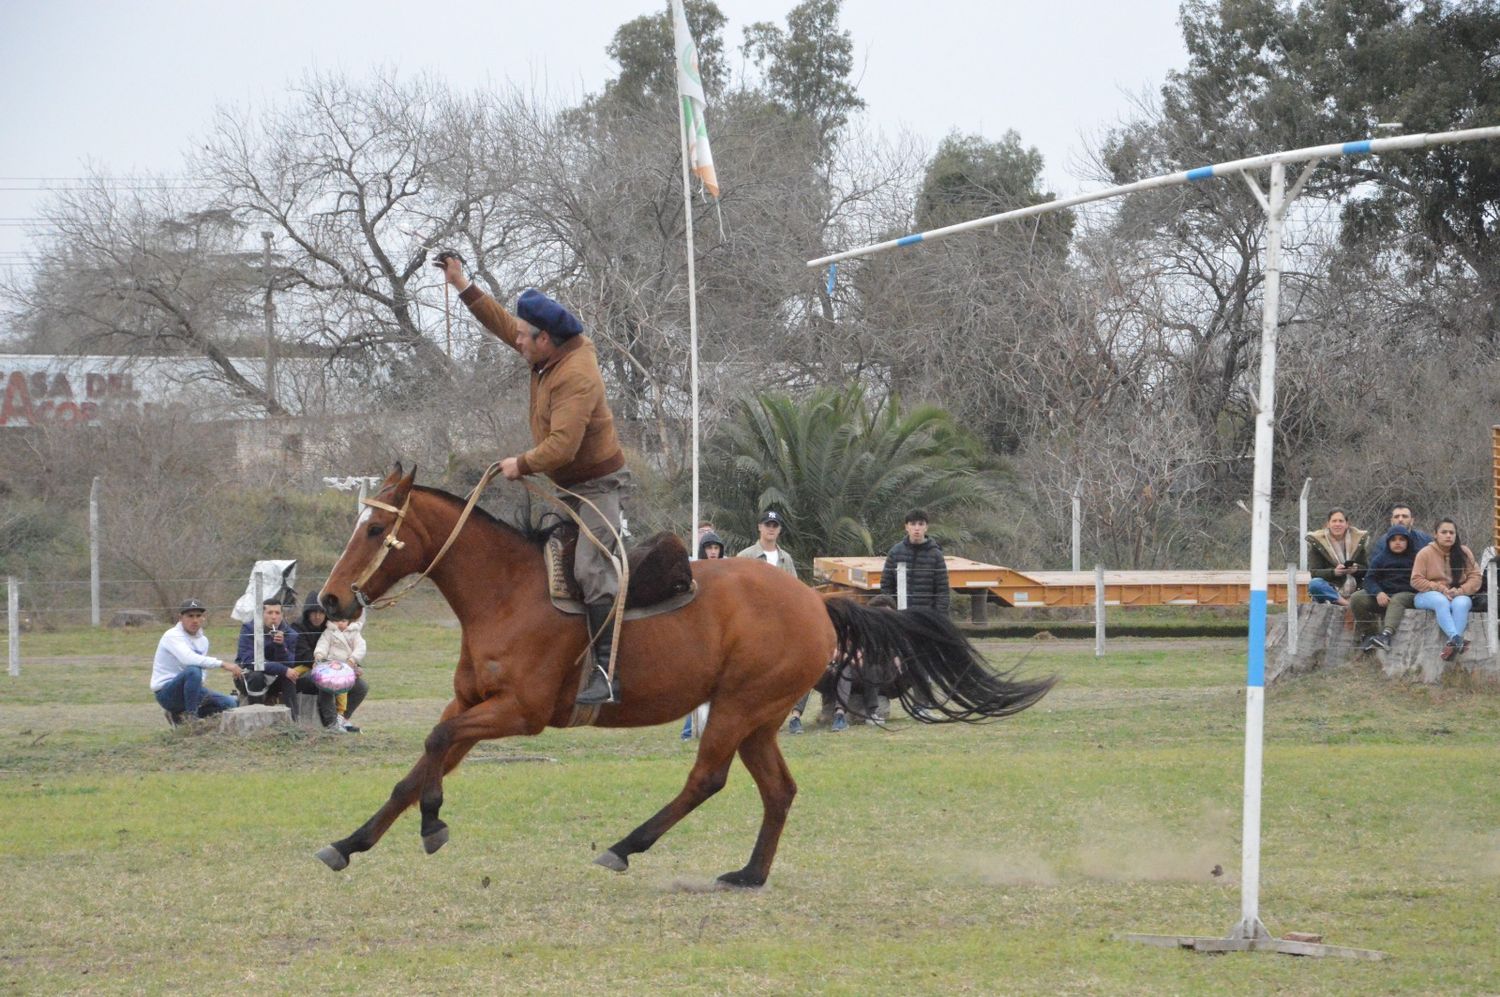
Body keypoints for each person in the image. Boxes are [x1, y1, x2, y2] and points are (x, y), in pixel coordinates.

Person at [438, 254, 630, 706]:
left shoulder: (577, 377)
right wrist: (462, 284)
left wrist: (520, 464)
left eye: (526, 336)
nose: (517, 341)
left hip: (598, 488)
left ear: (546, 338)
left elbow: (562, 447)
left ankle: (607, 672)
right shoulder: (548, 349)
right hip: (566, 488)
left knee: (589, 569)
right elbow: (505, 323)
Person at [151, 599, 243, 725]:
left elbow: (202, 669)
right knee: (193, 670)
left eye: (198, 616)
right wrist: (223, 664)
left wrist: (198, 688)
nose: (195, 620)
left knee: (230, 703)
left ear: (203, 618)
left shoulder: (203, 640)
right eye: (190, 616)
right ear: (180, 618)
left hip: (191, 690)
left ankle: (178, 716)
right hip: (167, 693)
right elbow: (188, 659)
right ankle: (191, 719)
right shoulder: (172, 636)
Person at [1411, 518, 1481, 661]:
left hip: (1457, 593)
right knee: (1441, 601)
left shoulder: (1464, 552)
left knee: (1461, 603)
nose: (1448, 535)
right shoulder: (1425, 553)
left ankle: (1453, 644)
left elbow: (1475, 577)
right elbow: (1416, 580)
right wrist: (1440, 588)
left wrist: (1460, 591)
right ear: (1435, 534)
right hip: (1428, 595)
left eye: (1451, 532)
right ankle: (1456, 638)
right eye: (1444, 532)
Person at [681, 531, 727, 740]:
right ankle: (688, 730)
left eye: (716, 548)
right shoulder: (693, 571)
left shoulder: (726, 573)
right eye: (709, 548)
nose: (713, 552)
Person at [1353, 525, 1419, 651]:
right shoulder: (1381, 558)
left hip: (1408, 595)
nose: (1397, 542)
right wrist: (1378, 593)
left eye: (1401, 539)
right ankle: (1370, 635)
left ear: (1408, 541)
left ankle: (1386, 635)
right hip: (1384, 597)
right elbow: (1369, 579)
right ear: (1388, 542)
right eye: (1393, 539)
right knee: (1357, 598)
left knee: (1398, 599)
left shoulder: (1417, 557)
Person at [305, 617, 371, 733]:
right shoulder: (329, 632)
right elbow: (322, 645)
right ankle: (331, 722)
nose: (340, 623)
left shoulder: (355, 633)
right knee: (327, 686)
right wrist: (319, 656)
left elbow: (361, 647)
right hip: (329, 667)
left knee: (362, 687)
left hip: (347, 668)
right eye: (337, 620)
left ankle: (342, 718)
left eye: (344, 620)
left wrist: (352, 660)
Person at [880, 509, 951, 613]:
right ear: (906, 527)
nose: (917, 528)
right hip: (900, 617)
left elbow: (942, 591)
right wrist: (891, 611)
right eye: (913, 524)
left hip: (927, 618)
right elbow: (886, 586)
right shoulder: (895, 552)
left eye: (921, 524)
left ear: (926, 527)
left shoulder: (936, 555)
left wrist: (938, 617)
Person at [234, 599, 300, 705]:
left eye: (277, 613)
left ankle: (293, 718)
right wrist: (283, 669)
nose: (274, 617)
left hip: (276, 676)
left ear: (282, 615)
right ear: (261, 614)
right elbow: (249, 661)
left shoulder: (290, 634)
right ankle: (256, 712)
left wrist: (281, 646)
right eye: (270, 613)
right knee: (257, 676)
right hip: (249, 675)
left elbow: (289, 664)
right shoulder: (249, 629)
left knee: (290, 677)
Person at [1305, 508, 1368, 606]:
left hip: (1356, 588)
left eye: (1341, 521)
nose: (1337, 524)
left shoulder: (1358, 541)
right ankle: (1346, 604)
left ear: (1347, 524)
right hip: (1331, 588)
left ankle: (1352, 601)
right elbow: (1314, 572)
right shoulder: (1318, 543)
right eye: (1334, 521)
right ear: (1328, 524)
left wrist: (1356, 569)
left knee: (1376, 582)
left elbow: (1367, 569)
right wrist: (1334, 572)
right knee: (1314, 584)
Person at [736, 510, 797, 577]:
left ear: (779, 529)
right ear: (760, 527)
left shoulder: (786, 559)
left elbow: (793, 585)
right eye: (767, 525)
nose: (771, 529)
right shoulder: (745, 556)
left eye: (775, 526)